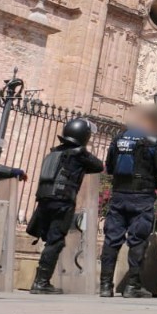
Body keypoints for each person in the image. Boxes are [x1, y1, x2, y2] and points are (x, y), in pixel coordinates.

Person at [99, 104, 157, 299]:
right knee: (138, 240)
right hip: (142, 196)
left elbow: (110, 167)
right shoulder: (152, 141)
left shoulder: (119, 138)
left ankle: (105, 286)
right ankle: (133, 286)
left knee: (111, 239)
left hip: (119, 194)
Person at [27, 117, 104, 294]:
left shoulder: (54, 152)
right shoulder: (78, 153)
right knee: (55, 241)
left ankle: (41, 280)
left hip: (44, 201)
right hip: (62, 202)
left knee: (49, 240)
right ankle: (41, 282)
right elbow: (98, 166)